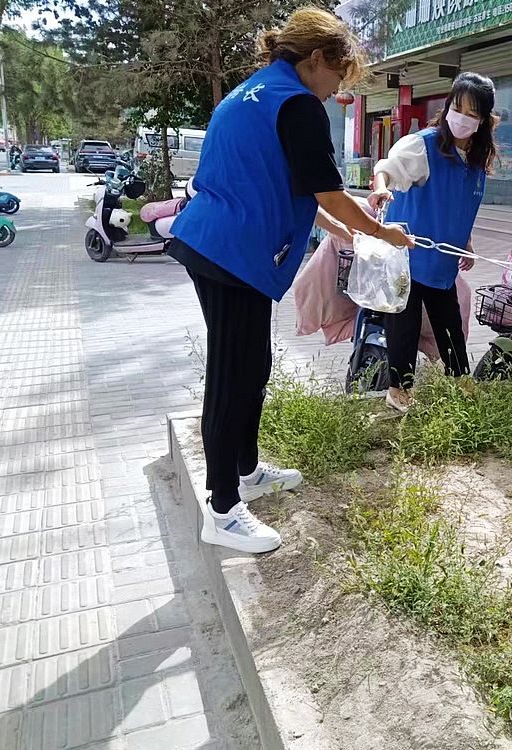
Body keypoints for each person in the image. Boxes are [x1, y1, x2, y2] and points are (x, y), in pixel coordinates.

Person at [168, 6, 412, 554]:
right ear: (317, 59)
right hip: (232, 253)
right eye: (337, 78)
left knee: (252, 364)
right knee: (232, 375)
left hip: (219, 242)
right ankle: (222, 508)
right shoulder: (297, 104)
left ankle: (247, 470)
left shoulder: (255, 91)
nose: (334, 92)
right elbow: (328, 191)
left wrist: (344, 231)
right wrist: (382, 232)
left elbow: (291, 186)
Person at [368, 72, 497, 412]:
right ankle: (398, 389)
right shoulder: (423, 146)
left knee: (449, 321)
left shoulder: (475, 160)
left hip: (441, 260)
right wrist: (381, 188)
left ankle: (461, 381)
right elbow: (387, 169)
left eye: (471, 113)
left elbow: (459, 206)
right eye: (457, 108)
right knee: (404, 324)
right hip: (407, 254)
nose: (461, 118)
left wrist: (466, 243)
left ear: (483, 120)